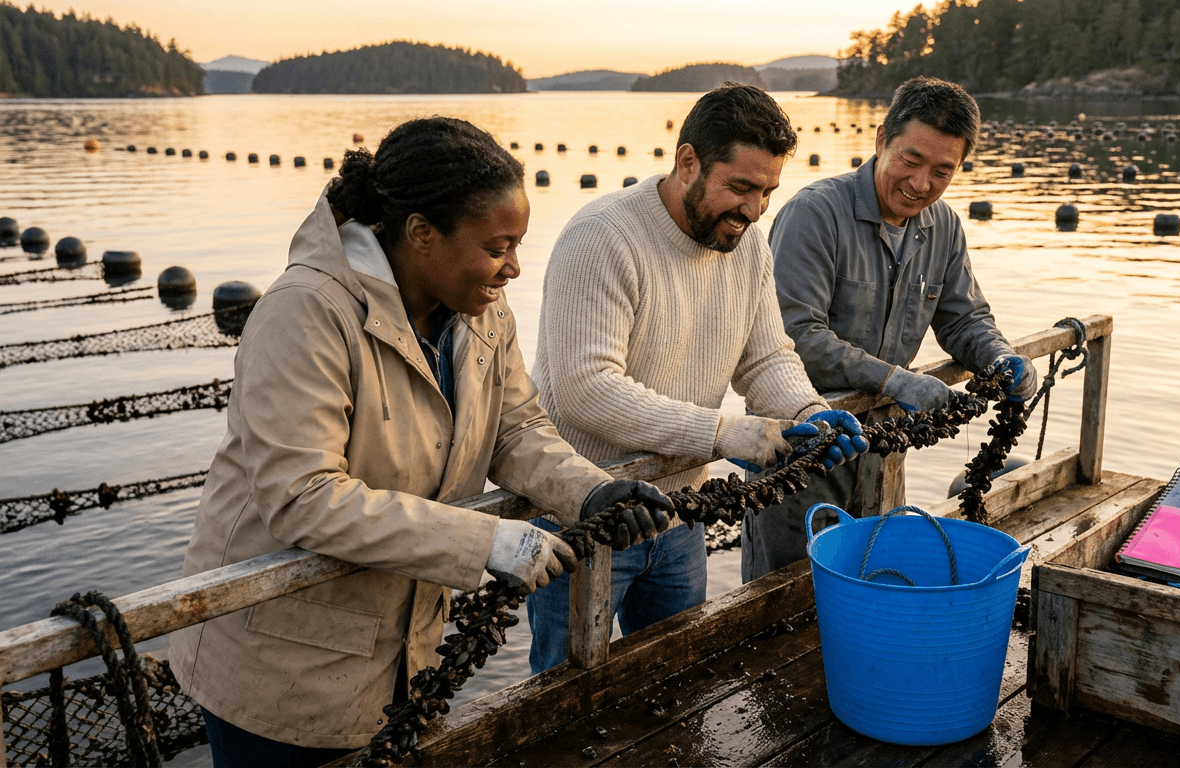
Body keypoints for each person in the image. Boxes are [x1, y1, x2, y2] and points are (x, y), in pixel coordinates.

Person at [169, 117, 670, 768]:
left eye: (518, 244)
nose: (515, 267)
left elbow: (516, 430)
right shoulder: (306, 311)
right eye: (498, 247)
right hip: (281, 664)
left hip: (406, 656)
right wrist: (488, 542)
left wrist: (592, 490)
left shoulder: (482, 311)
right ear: (421, 234)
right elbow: (302, 497)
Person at [525, 83, 867, 674]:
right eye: (740, 188)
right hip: (581, 508)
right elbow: (586, 389)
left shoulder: (748, 246)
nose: (755, 210)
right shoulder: (602, 237)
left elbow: (765, 359)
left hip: (679, 509)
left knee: (680, 674)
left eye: (766, 192)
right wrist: (724, 433)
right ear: (688, 163)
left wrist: (808, 411)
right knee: (563, 693)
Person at [740, 76, 1038, 582]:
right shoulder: (816, 214)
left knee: (874, 591)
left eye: (943, 170)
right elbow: (792, 339)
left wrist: (1001, 357)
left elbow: (964, 318)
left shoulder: (942, 226)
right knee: (780, 611)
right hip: (801, 456)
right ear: (881, 140)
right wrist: (895, 381)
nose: (922, 183)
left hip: (883, 453)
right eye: (911, 160)